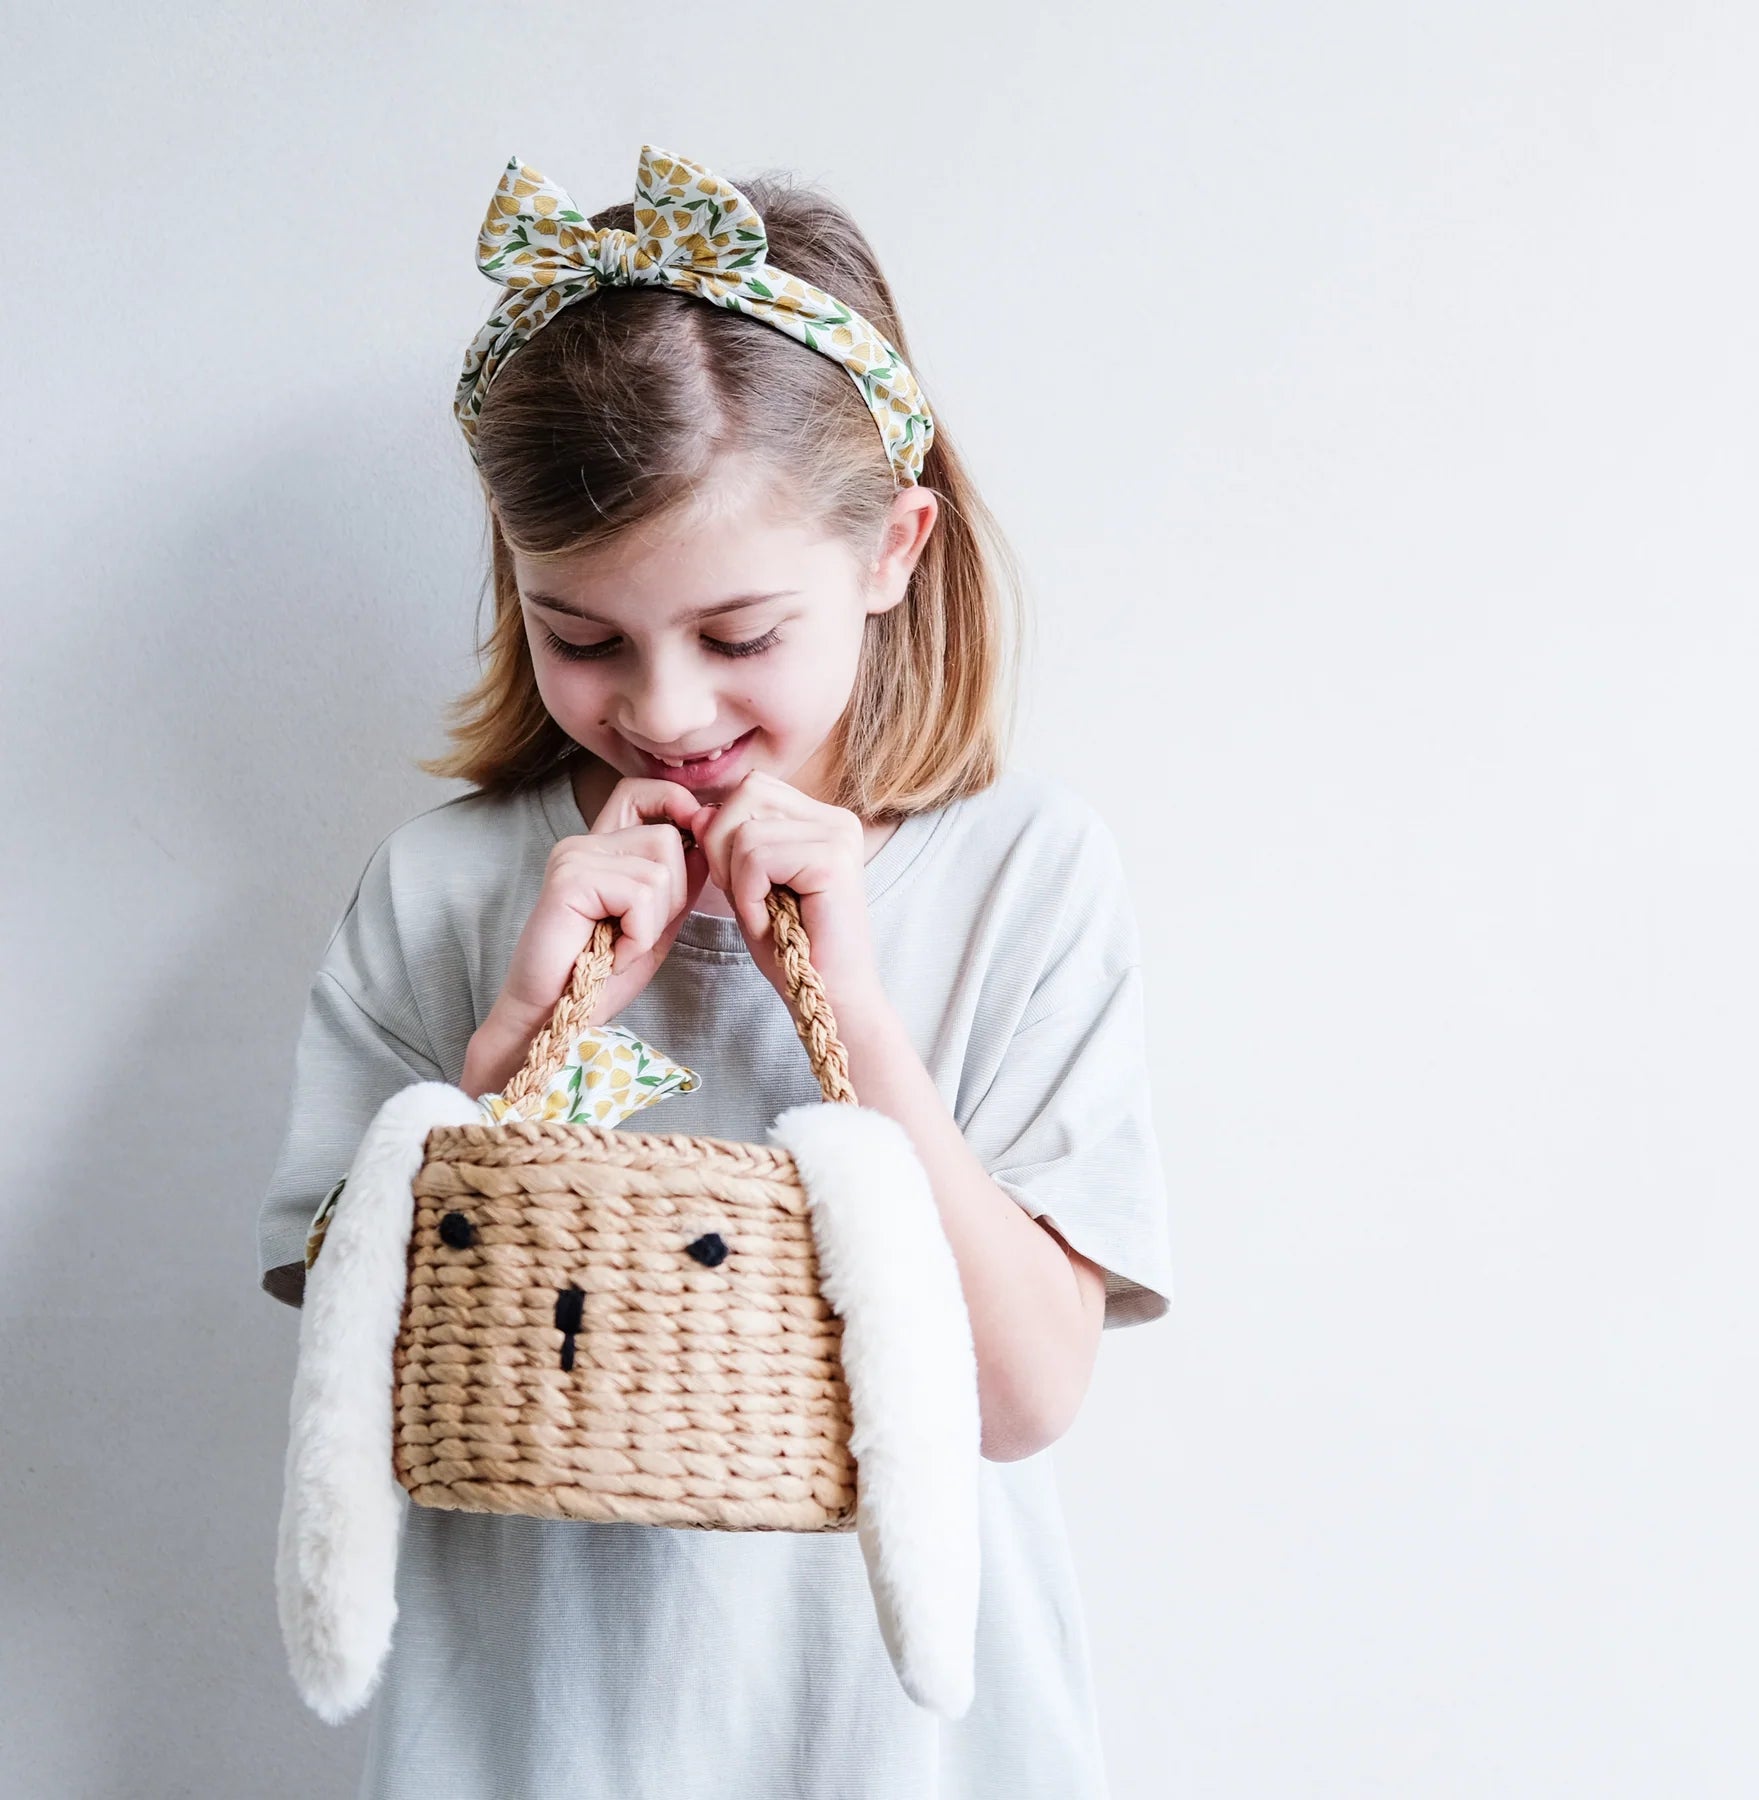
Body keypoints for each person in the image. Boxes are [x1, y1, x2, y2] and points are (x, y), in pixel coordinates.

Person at [256, 142, 1176, 1800]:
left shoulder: (1023, 875)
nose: (667, 713)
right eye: (583, 638)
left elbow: (1025, 1397)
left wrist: (861, 1027)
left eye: (741, 636)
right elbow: (360, 1402)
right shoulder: (450, 888)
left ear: (894, 550)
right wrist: (522, 1047)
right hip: (528, 1747)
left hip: (910, 1759)